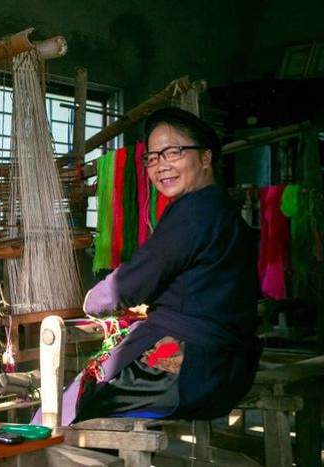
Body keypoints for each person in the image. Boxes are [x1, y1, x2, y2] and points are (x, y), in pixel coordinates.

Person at [46, 107, 261, 425]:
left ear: (205, 157)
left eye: (173, 152)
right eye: (153, 157)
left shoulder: (194, 212)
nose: (161, 166)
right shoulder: (222, 210)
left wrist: (94, 300)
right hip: (229, 373)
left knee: (60, 413)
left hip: (185, 373)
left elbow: (129, 286)